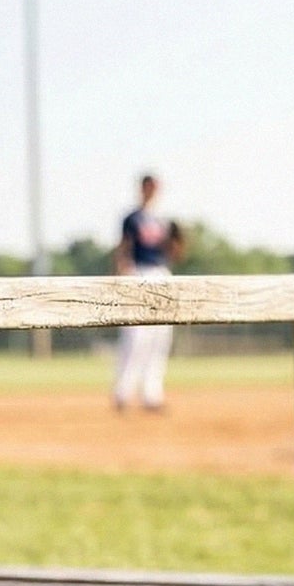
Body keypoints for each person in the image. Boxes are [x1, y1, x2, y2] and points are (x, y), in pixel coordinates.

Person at [112, 173, 185, 411]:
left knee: (160, 338)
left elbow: (174, 253)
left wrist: (178, 243)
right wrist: (123, 276)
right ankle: (122, 393)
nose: (151, 191)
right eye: (148, 187)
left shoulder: (163, 220)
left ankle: (152, 395)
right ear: (142, 189)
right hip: (138, 272)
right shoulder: (132, 218)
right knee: (135, 337)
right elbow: (124, 249)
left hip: (160, 272)